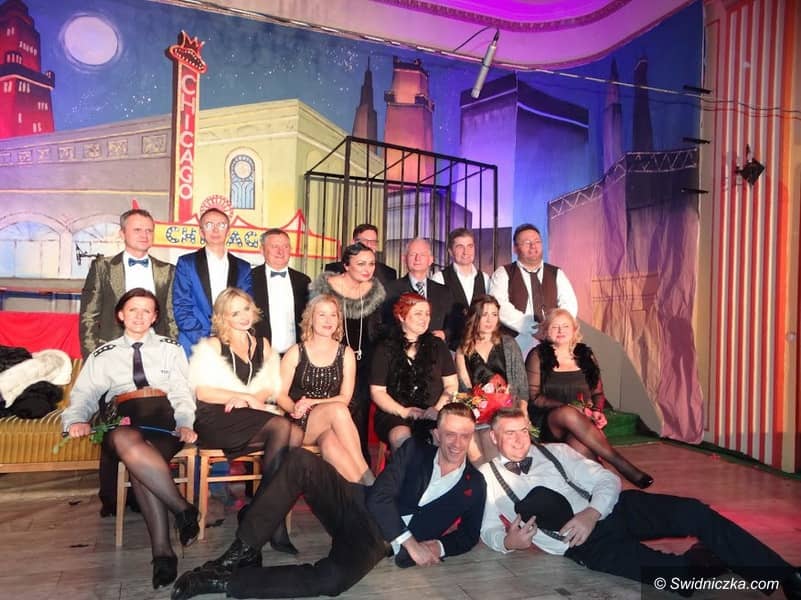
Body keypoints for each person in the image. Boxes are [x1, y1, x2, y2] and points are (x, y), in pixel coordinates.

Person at [171, 403, 487, 600]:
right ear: (437, 434)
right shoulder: (415, 450)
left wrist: (439, 547)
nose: (457, 443)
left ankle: (227, 581)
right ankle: (238, 554)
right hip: (357, 505)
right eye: (450, 434)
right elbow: (379, 496)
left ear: (472, 436)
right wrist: (410, 542)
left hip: (376, 542)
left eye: (465, 435)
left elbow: (469, 534)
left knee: (332, 581)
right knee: (300, 461)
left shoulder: (475, 484)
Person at [479, 407, 801, 598]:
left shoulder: (556, 451)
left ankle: (784, 576)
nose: (520, 439)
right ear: (493, 437)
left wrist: (592, 512)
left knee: (694, 512)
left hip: (614, 508)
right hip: (586, 546)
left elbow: (607, 480)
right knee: (676, 579)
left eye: (523, 431)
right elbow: (488, 528)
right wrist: (508, 542)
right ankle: (704, 558)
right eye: (509, 433)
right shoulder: (487, 478)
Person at [62, 288, 198, 590]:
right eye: (133, 309)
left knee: (141, 464)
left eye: (146, 310)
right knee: (128, 443)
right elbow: (84, 395)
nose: (139, 316)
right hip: (124, 418)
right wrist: (76, 420)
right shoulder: (103, 354)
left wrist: (185, 423)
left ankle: (163, 554)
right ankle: (182, 509)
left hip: (163, 419)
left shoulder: (171, 348)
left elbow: (182, 392)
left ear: (155, 317)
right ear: (120, 314)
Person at [79, 208, 178, 516]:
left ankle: (141, 492)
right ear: (123, 233)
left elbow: (170, 320)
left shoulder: (167, 270)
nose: (144, 235)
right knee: (112, 425)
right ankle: (111, 498)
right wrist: (96, 360)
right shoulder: (103, 267)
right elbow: (89, 317)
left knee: (146, 426)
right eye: (137, 229)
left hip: (153, 361)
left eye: (149, 230)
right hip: (113, 361)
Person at [187, 287, 300, 555]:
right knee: (284, 428)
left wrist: (250, 400)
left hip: (250, 414)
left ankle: (262, 514)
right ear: (223, 317)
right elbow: (203, 392)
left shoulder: (263, 344)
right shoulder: (212, 346)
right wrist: (241, 397)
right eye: (235, 312)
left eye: (246, 309)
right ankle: (272, 523)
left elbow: (270, 385)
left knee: (293, 435)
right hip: (216, 417)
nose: (244, 316)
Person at [526, 308, 652, 488]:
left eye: (565, 326)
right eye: (555, 327)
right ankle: (620, 463)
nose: (560, 331)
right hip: (549, 422)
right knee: (567, 413)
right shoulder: (537, 355)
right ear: (546, 331)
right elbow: (535, 398)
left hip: (582, 424)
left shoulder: (586, 355)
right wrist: (571, 407)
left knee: (580, 448)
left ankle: (604, 484)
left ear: (574, 330)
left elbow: (597, 393)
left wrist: (597, 411)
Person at [276, 294, 375, 484]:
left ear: (339, 320)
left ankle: (365, 494)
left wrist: (314, 401)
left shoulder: (346, 353)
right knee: (338, 410)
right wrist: (294, 408)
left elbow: (345, 398)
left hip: (334, 422)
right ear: (310, 318)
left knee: (330, 445)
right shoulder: (295, 351)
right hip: (301, 422)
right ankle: (370, 478)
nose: (328, 320)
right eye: (322, 315)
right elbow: (280, 394)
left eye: (333, 315)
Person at [310, 242, 386, 462]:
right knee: (338, 408)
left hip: (365, 361)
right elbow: (312, 325)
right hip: (331, 359)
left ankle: (358, 462)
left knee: (360, 409)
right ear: (346, 265)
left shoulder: (375, 291)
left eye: (371, 263)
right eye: (361, 264)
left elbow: (378, 329)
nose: (367, 269)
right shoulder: (326, 289)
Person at [370, 293, 458, 451]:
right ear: (401, 316)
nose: (424, 319)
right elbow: (377, 392)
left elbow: (451, 385)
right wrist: (404, 412)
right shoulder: (384, 348)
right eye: (418, 313)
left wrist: (437, 409)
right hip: (395, 413)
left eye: (427, 314)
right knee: (402, 438)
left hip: (433, 411)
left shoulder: (438, 346)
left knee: (439, 437)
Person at [455, 294, 528, 463]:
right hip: (478, 413)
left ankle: (498, 476)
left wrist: (523, 413)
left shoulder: (508, 343)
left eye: (494, 314)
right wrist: (479, 408)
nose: (490, 320)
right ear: (475, 317)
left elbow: (521, 387)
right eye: (484, 314)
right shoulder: (463, 349)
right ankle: (487, 477)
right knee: (473, 441)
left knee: (489, 438)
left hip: (508, 411)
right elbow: (464, 389)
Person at [173, 207, 253, 355]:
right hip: (195, 344)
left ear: (228, 231)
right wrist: (204, 340)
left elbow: (246, 308)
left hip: (233, 344)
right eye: (209, 225)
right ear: (201, 231)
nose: (215, 230)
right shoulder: (186, 263)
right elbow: (182, 306)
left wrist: (229, 339)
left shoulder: (243, 267)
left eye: (221, 225)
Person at [489, 223, 577, 357]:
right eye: (527, 242)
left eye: (537, 242)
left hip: (553, 341)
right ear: (515, 248)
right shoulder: (503, 273)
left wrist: (554, 328)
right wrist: (532, 328)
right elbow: (499, 306)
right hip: (516, 343)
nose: (533, 246)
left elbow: (569, 305)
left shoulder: (556, 273)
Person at [251, 229, 310, 355]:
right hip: (259, 355)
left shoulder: (303, 281)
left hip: (295, 356)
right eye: (274, 246)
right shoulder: (249, 279)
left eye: (285, 246)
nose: (280, 251)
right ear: (262, 250)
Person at [431, 228, 490, 350]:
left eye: (470, 246)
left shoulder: (485, 278)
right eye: (460, 247)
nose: (466, 252)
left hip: (480, 346)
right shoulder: (439, 278)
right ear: (450, 252)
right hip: (451, 348)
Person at [384, 238, 452, 341]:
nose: (417, 258)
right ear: (404, 259)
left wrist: (444, 334)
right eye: (412, 254)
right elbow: (384, 324)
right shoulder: (390, 289)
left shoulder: (443, 292)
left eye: (422, 255)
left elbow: (452, 324)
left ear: (431, 260)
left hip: (436, 347)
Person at [324, 223, 397, 285]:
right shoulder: (333, 270)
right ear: (353, 243)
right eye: (364, 241)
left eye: (373, 242)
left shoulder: (388, 273)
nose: (369, 246)